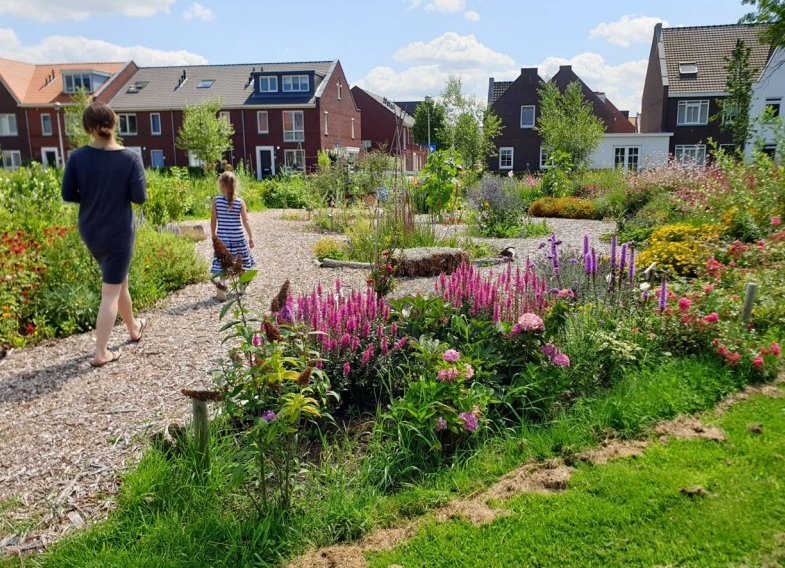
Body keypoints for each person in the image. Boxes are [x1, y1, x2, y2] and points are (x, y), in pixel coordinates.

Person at [61, 102, 148, 367]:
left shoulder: (77, 158)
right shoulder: (130, 158)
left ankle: (133, 327)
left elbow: (68, 194)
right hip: (118, 230)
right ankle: (101, 353)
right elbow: (139, 197)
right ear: (114, 123)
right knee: (110, 290)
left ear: (88, 128)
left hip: (91, 229)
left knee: (120, 280)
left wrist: (92, 194)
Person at [211, 171, 255, 301]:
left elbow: (214, 219)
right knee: (241, 264)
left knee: (223, 263)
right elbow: (245, 221)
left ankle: (222, 285)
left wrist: (213, 235)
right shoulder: (240, 202)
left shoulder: (216, 200)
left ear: (222, 185)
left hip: (223, 239)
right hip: (238, 238)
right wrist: (251, 236)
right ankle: (242, 286)